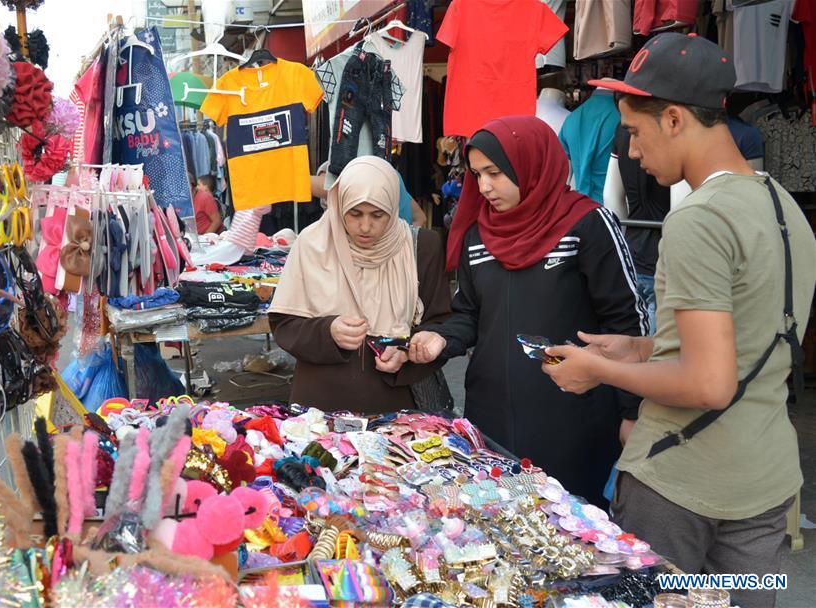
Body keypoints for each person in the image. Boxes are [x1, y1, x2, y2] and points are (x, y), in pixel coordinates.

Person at [542, 34, 816, 608]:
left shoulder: (699, 219)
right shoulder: (781, 204)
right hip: (764, 480)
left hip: (683, 484)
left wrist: (598, 370)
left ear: (673, 119)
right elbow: (751, 336)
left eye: (634, 132)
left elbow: (708, 384)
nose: (630, 151)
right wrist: (642, 348)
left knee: (654, 598)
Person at [408, 116, 648, 508]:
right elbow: (469, 314)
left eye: (495, 173)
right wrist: (442, 339)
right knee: (500, 523)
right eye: (477, 175)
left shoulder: (586, 224)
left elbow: (626, 321)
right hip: (492, 418)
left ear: (530, 164)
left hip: (573, 417)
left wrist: (632, 411)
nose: (484, 187)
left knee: (574, 524)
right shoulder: (478, 235)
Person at [270, 156, 450, 413]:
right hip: (321, 405)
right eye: (354, 214)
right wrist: (328, 331)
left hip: (397, 405)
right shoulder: (312, 244)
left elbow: (440, 324)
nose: (365, 227)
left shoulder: (421, 248)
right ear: (339, 204)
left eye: (378, 215)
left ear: (393, 206)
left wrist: (406, 350)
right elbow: (284, 325)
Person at [311, 162, 427, 227]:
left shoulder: (364, 180)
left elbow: (324, 186)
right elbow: (421, 217)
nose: (365, 227)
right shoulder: (392, 176)